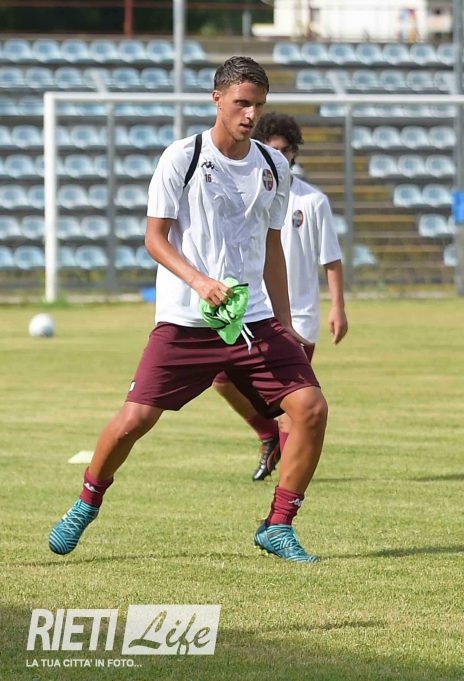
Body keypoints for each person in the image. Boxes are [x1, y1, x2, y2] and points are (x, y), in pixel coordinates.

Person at [48, 56, 329, 563]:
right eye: (241, 103)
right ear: (217, 100)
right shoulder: (182, 157)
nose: (250, 114)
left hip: (252, 320)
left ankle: (278, 525)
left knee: (311, 409)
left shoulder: (274, 166)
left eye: (258, 105)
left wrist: (285, 324)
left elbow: (273, 247)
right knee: (134, 421)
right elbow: (154, 238)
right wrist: (199, 281)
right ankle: (86, 502)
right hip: (186, 321)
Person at [210, 112, 348, 482]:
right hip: (252, 309)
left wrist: (337, 306)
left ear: (294, 152)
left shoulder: (313, 200)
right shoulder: (249, 193)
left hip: (297, 314)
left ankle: (287, 487)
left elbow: (331, 259)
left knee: (291, 405)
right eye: (271, 148)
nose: (279, 156)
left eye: (285, 150)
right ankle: (266, 434)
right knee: (221, 379)